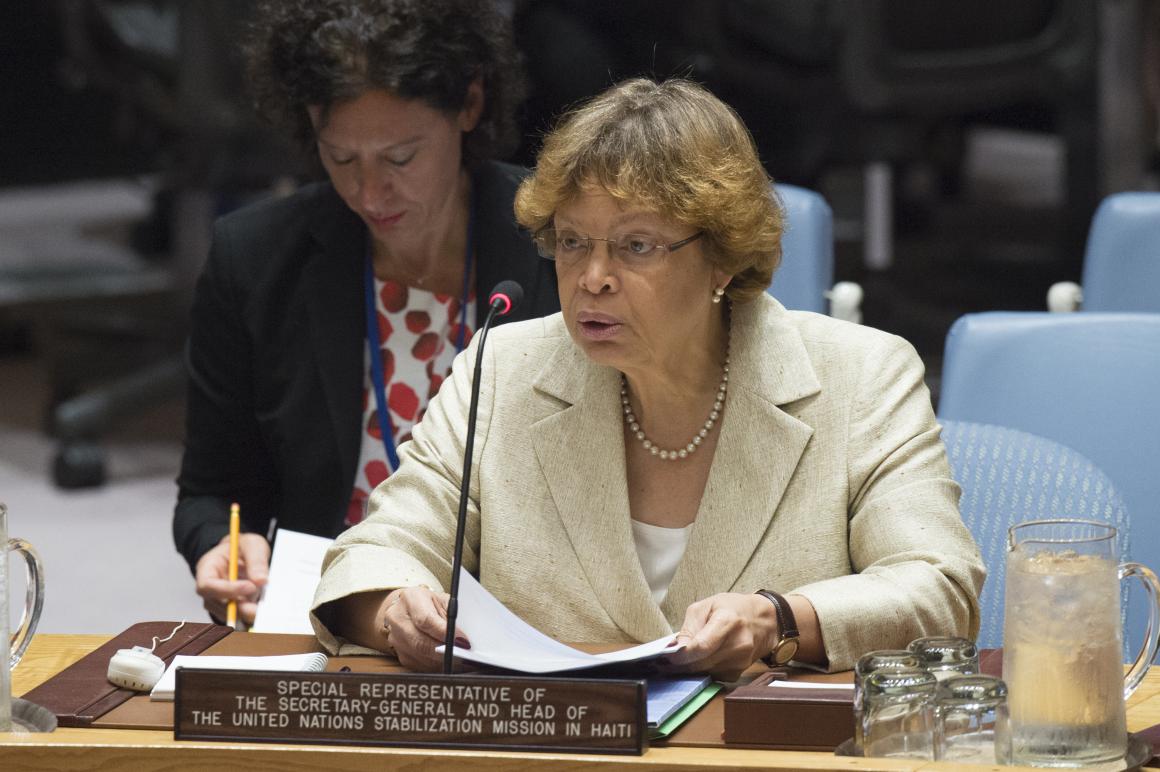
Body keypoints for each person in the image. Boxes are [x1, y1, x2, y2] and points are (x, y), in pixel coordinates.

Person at [311, 78, 984, 678]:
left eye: (636, 246)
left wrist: (780, 619)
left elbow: (938, 589)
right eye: (572, 242)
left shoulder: (861, 376)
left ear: (721, 257)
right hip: (554, 752)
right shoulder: (502, 371)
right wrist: (393, 609)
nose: (592, 278)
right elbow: (376, 552)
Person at [173, 0, 559, 625]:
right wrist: (221, 543)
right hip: (338, 614)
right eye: (341, 158)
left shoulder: (560, 243)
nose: (369, 192)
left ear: (469, 104)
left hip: (524, 617)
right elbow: (214, 489)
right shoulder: (256, 258)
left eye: (400, 158)